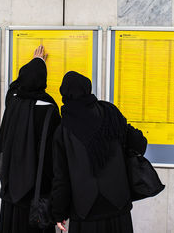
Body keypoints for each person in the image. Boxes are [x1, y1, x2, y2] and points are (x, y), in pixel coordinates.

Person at [51, 71, 148, 233]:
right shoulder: (110, 112)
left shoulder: (63, 130)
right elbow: (139, 143)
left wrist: (59, 213)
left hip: (85, 212)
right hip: (118, 206)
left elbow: (62, 178)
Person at [0, 45, 60, 233]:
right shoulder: (50, 109)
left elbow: (14, 87)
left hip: (11, 188)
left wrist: (35, 62)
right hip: (36, 192)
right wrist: (40, 63)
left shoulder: (13, 103)